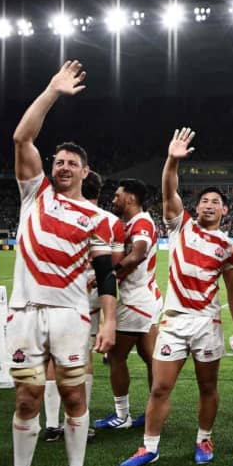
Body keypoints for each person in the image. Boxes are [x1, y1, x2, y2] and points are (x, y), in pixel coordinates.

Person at [0, 61, 116, 466]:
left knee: (74, 398)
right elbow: (22, 138)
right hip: (24, 311)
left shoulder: (101, 220)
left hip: (69, 316)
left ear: (85, 171)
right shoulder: (35, 194)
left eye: (71, 163)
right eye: (58, 161)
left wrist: (107, 320)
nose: (62, 166)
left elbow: (106, 274)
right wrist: (51, 91)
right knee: (27, 398)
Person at [120, 128, 233, 466]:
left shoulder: (227, 248)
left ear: (224, 210)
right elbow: (169, 189)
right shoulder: (181, 227)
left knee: (208, 387)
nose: (208, 204)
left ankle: (204, 437)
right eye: (204, 200)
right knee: (160, 387)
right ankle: (149, 446)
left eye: (214, 202)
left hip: (207, 323)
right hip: (173, 322)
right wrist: (172, 159)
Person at [43, 171, 124, 443]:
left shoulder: (58, 216)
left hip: (59, 292)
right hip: (90, 296)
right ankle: (80, 421)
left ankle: (53, 423)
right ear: (99, 193)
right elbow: (112, 265)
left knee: (53, 358)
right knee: (84, 356)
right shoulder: (110, 221)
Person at [95, 178, 162, 430]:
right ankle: (155, 411)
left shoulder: (141, 221)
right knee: (149, 356)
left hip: (136, 301)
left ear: (131, 198)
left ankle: (121, 416)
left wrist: (113, 271)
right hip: (147, 298)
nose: (114, 199)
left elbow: (140, 251)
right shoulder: (134, 222)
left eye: (118, 195)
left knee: (115, 356)